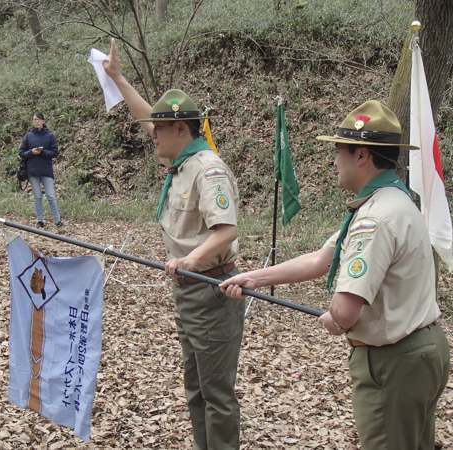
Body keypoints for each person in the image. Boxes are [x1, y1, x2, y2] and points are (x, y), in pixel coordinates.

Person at [220, 100, 450, 450]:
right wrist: (254, 278)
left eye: (339, 151)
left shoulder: (374, 219)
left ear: (362, 156)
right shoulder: (392, 200)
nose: (333, 160)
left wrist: (335, 320)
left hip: (395, 362)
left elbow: (344, 311)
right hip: (423, 349)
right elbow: (320, 259)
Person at [103, 39, 245, 450]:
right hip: (187, 291)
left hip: (212, 291)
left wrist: (190, 259)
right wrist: (118, 78)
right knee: (195, 387)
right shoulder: (181, 160)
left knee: (216, 394)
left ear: (181, 130)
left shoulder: (208, 170)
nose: (152, 134)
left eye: (160, 129)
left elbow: (226, 230)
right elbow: (148, 116)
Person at [19, 112, 63, 229]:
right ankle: (40, 220)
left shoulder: (49, 136)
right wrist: (31, 152)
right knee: (37, 196)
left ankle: (58, 221)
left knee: (50, 195)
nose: (36, 121)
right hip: (32, 171)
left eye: (39, 119)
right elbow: (21, 153)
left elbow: (54, 152)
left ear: (43, 121)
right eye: (34, 120)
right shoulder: (28, 136)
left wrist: (42, 152)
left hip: (46, 170)